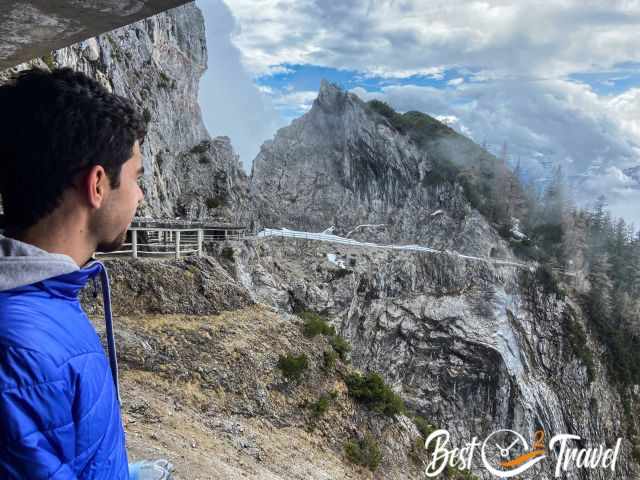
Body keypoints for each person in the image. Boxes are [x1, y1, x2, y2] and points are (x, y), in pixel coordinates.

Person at [0, 67, 174, 479]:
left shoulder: (47, 297)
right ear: (97, 184)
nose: (140, 195)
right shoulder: (23, 352)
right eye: (135, 179)